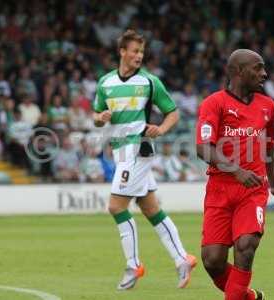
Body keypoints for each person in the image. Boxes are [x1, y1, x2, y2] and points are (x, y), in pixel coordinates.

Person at [92, 29, 196, 290]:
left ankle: (133, 264)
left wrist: (160, 129)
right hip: (120, 151)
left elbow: (172, 113)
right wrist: (100, 118)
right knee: (151, 209)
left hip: (138, 148)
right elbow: (96, 115)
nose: (139, 56)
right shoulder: (105, 82)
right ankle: (183, 258)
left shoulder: (149, 81)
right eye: (135, 51)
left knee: (116, 207)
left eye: (142, 52)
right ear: (122, 52)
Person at [196, 49, 274, 300]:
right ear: (238, 71)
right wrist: (236, 171)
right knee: (212, 260)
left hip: (252, 190)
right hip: (220, 188)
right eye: (258, 68)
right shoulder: (214, 103)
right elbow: (203, 147)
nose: (264, 73)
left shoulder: (267, 106)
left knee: (245, 247)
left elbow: (269, 147)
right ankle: (249, 297)